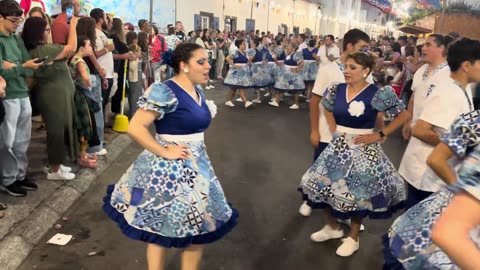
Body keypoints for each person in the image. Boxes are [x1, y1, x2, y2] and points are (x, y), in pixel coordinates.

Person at [103, 43, 238, 270]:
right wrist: (165, 150)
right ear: (184, 66)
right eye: (201, 62)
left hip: (198, 168)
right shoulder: (164, 90)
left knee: (199, 227)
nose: (208, 66)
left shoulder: (197, 91)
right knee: (161, 229)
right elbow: (135, 127)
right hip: (168, 170)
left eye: (208, 61)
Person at [298, 52, 410, 257]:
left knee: (359, 195)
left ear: (366, 71)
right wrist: (334, 130)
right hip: (338, 145)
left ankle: (353, 238)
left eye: (352, 67)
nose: (346, 71)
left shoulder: (378, 92)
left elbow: (403, 115)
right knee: (322, 186)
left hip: (363, 149)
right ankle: (332, 227)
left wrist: (380, 134)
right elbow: (326, 108)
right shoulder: (336, 89)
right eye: (345, 66)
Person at [383, 111, 480, 270]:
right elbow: (435, 158)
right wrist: (463, 194)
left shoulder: (472, 116)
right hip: (444, 234)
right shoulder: (472, 118)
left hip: (439, 213)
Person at [299, 29, 373, 217]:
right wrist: (314, 130)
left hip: (354, 136)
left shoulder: (366, 72)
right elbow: (315, 100)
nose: (367, 51)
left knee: (348, 178)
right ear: (349, 46)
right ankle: (311, 200)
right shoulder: (329, 70)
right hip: (327, 133)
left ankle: (346, 214)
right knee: (322, 172)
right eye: (363, 47)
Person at [398, 35, 453, 209]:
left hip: (434, 136)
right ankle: (409, 223)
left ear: (442, 49)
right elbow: (414, 96)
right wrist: (408, 120)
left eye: (429, 45)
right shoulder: (421, 70)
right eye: (424, 44)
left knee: (430, 191)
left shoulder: (450, 74)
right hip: (417, 136)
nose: (423, 48)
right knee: (413, 182)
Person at [22, 15, 79, 180]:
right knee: (56, 132)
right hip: (52, 98)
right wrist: (73, 25)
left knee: (58, 131)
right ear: (39, 33)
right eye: (47, 30)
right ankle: (54, 169)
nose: (49, 32)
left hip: (55, 96)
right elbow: (71, 48)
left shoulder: (43, 49)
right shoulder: (43, 50)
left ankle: (57, 165)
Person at [0, 0, 42, 197]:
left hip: (22, 92)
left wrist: (15, 66)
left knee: (22, 139)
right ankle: (7, 179)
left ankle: (19, 175)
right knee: (6, 141)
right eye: (13, 20)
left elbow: (25, 61)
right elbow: (2, 72)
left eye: (19, 19)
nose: (18, 23)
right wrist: (20, 67)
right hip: (7, 95)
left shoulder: (16, 39)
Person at [224, 39, 253, 108]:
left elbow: (246, 62)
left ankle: (228, 100)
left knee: (234, 88)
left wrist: (249, 62)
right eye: (243, 44)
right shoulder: (236, 52)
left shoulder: (245, 53)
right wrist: (234, 65)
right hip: (236, 72)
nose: (245, 45)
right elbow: (227, 58)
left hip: (243, 72)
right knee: (239, 88)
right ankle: (246, 102)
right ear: (240, 45)